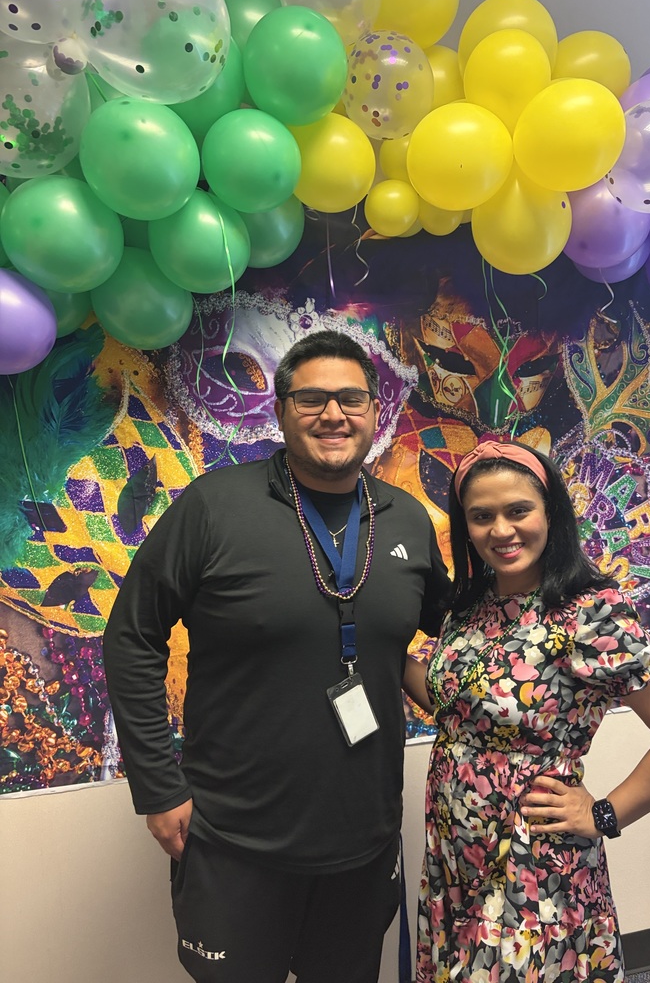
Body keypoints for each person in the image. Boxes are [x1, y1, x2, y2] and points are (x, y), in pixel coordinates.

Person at [102, 329, 450, 983]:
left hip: (363, 838)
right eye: (311, 398)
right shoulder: (214, 507)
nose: (333, 414)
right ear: (281, 411)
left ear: (375, 411)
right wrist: (156, 784)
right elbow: (131, 637)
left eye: (351, 398)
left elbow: (462, 635)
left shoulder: (405, 521)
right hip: (234, 841)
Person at [403, 439, 650, 983]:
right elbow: (457, 706)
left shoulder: (589, 613)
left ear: (550, 512)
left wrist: (604, 814)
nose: (501, 530)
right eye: (482, 517)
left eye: (518, 510)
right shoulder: (470, 608)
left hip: (532, 857)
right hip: (455, 854)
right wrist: (376, 646)